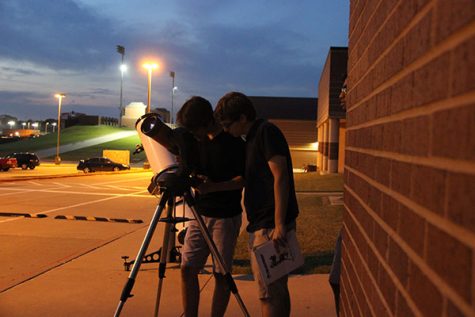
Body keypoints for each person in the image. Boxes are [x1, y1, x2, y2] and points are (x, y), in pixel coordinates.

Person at [214, 92, 299, 317]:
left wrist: (279, 223)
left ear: (242, 117)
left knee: (269, 294)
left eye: (227, 124)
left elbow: (280, 176)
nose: (225, 129)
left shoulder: (265, 132)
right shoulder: (252, 137)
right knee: (277, 290)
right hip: (266, 223)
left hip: (269, 226)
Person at [176, 96, 245, 317]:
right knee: (187, 269)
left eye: (195, 129)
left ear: (207, 121)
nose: (194, 134)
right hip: (199, 213)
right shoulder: (197, 143)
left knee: (221, 274)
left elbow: (242, 180)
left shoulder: (234, 143)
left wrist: (213, 187)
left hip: (225, 217)